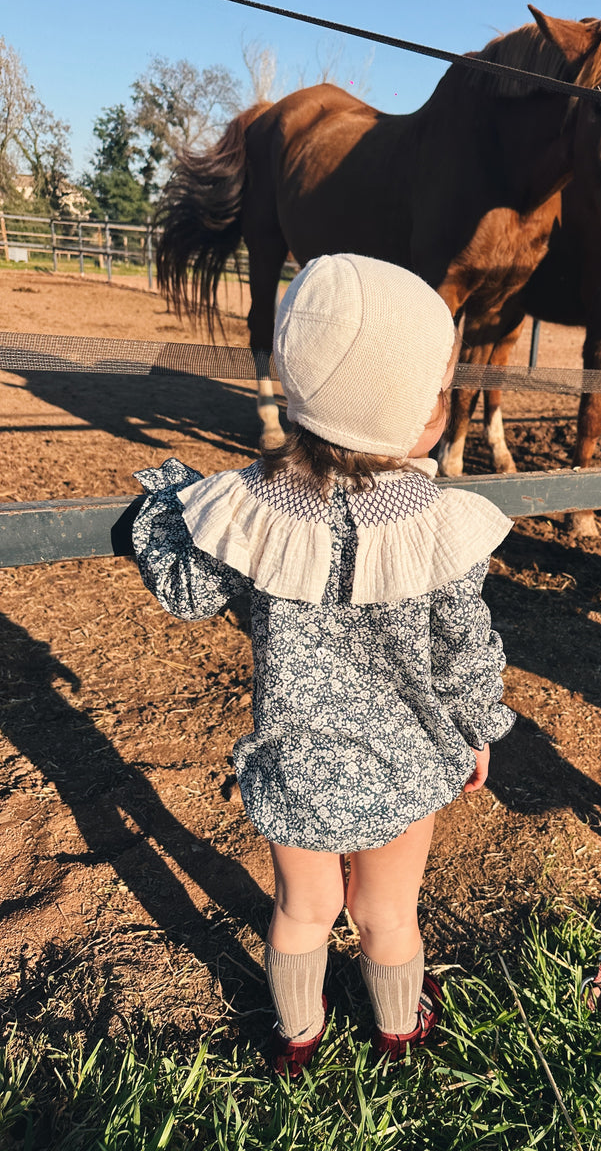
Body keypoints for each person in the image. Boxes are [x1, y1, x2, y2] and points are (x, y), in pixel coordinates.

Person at [131, 253, 515, 1076]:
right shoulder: (437, 525)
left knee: (302, 911)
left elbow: (190, 588)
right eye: (436, 390)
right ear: (407, 413)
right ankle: (398, 1034)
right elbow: (465, 648)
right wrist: (480, 727)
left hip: (298, 758)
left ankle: (296, 1041)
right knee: (388, 914)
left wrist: (164, 504)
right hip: (407, 762)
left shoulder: (251, 505)